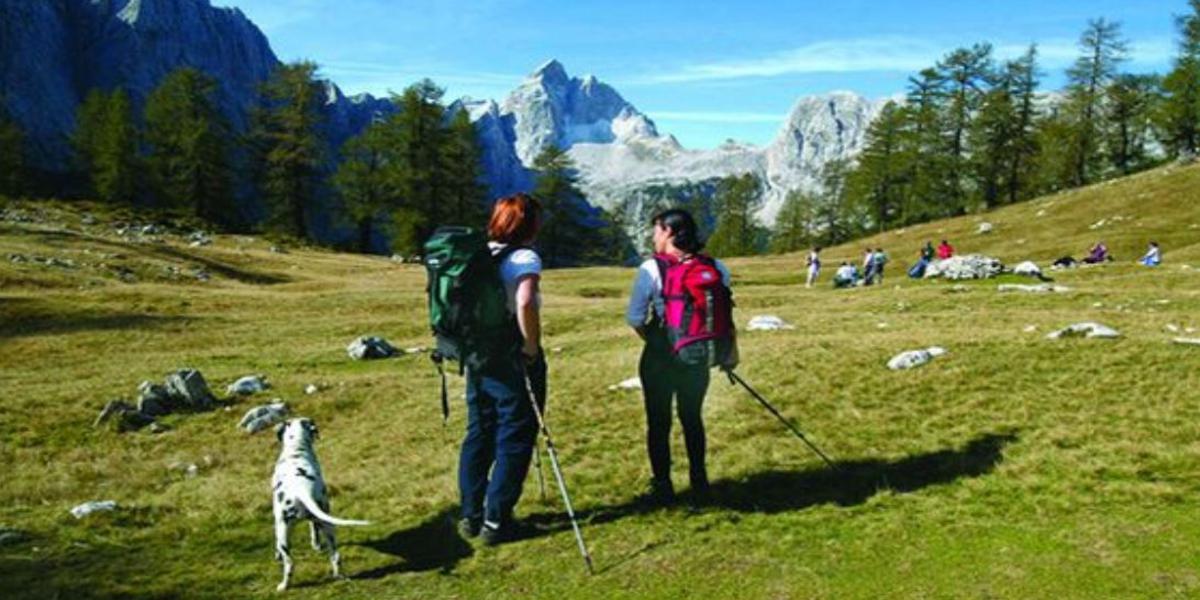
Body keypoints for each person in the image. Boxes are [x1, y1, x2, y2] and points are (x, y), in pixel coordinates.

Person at [626, 209, 734, 503]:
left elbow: (635, 317)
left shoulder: (651, 268)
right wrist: (727, 352)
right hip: (696, 354)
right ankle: (699, 480)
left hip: (660, 355)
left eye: (656, 231)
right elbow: (724, 313)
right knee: (692, 417)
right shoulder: (715, 267)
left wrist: (655, 340)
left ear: (669, 233)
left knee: (658, 421)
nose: (653, 237)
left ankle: (663, 485)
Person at [458, 193, 546, 545]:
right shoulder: (525, 257)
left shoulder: (480, 254)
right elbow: (525, 301)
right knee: (516, 433)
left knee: (479, 431)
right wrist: (530, 347)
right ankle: (497, 522)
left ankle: (470, 515)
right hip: (510, 357)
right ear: (528, 224)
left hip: (477, 356)